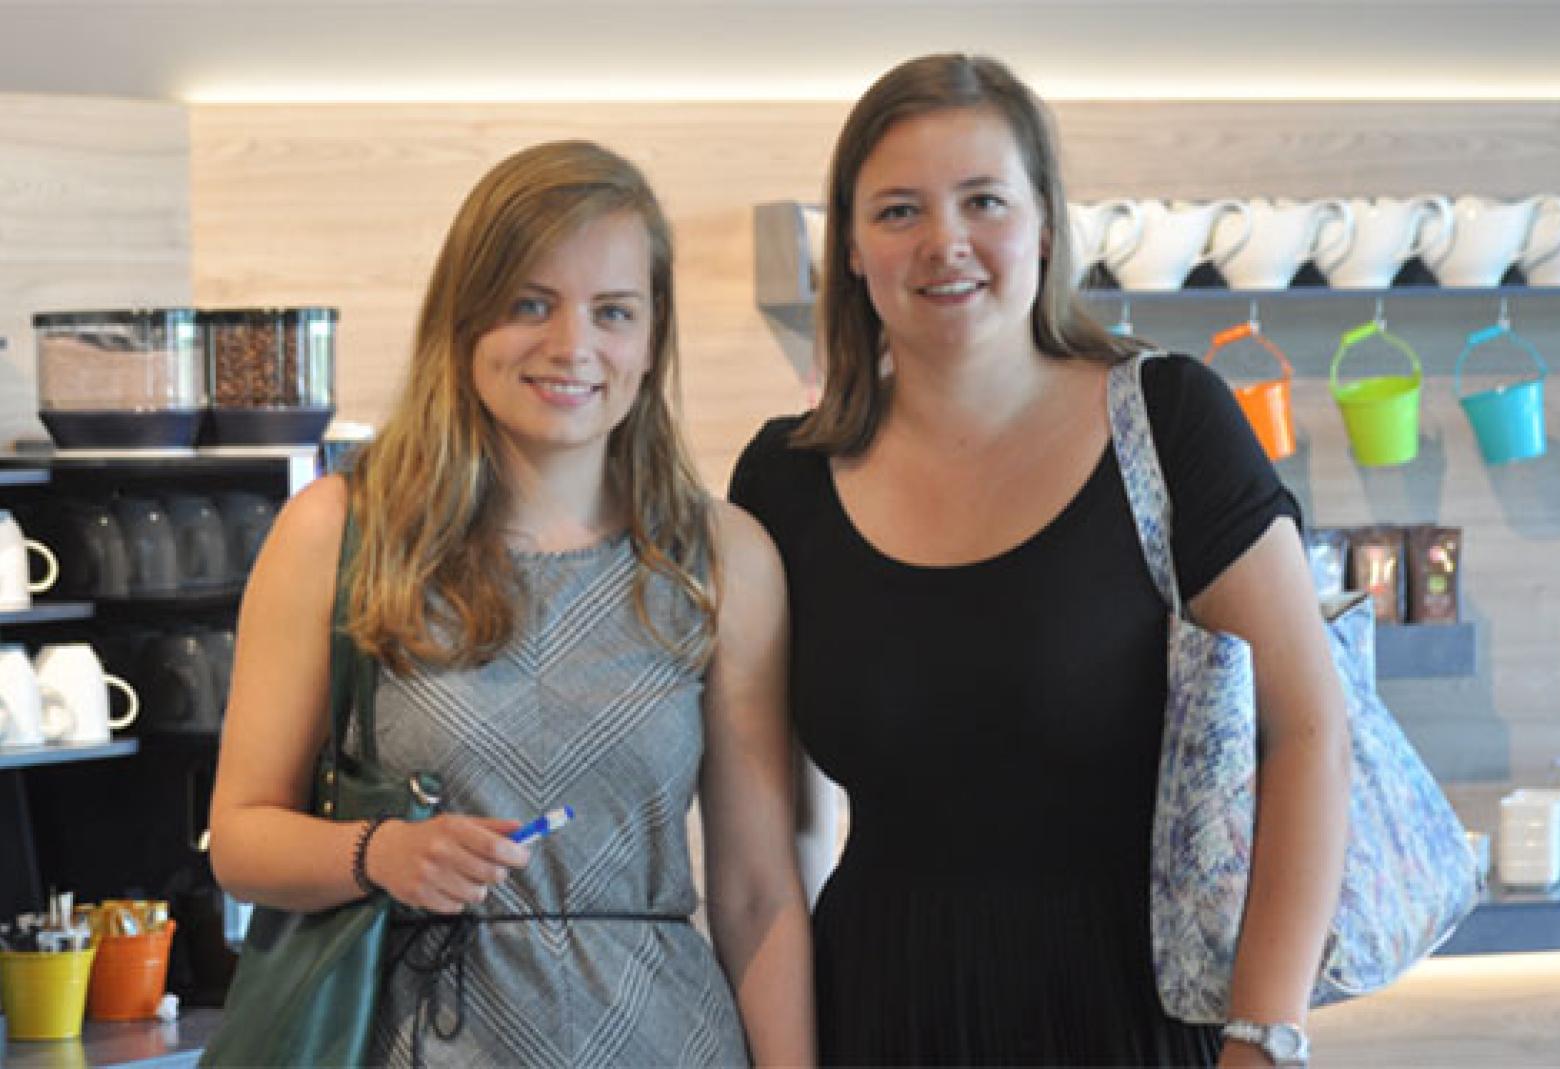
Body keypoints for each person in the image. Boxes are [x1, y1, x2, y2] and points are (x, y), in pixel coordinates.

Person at [730, 54, 1350, 1068]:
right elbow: (774, 844)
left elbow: (1308, 734)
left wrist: (1263, 1035)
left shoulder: (1170, 421)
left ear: (1046, 224)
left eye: (984, 200)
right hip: (878, 1012)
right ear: (848, 244)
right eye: (898, 210)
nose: (945, 243)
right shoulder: (780, 481)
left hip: (1134, 1012)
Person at [210, 140, 814, 1067]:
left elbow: (758, 895)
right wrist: (380, 853)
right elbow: (241, 837)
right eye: (531, 303)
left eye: (614, 311)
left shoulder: (723, 556)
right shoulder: (339, 532)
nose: (572, 345)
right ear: (463, 319)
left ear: (651, 339)